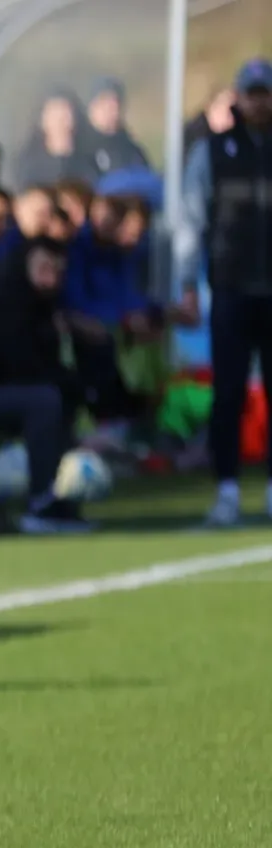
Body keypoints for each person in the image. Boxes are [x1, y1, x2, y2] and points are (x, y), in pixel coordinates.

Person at [180, 57, 272, 526]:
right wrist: (186, 284)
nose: (259, 102)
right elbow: (191, 219)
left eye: (265, 94)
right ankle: (227, 488)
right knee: (229, 392)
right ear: (240, 97)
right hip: (231, 288)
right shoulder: (213, 151)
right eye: (252, 94)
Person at [0, 237, 89, 533]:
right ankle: (41, 504)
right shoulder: (3, 304)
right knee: (44, 401)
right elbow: (19, 367)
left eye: (58, 271)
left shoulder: (43, 307)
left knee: (58, 397)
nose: (51, 279)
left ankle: (54, 496)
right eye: (44, 269)